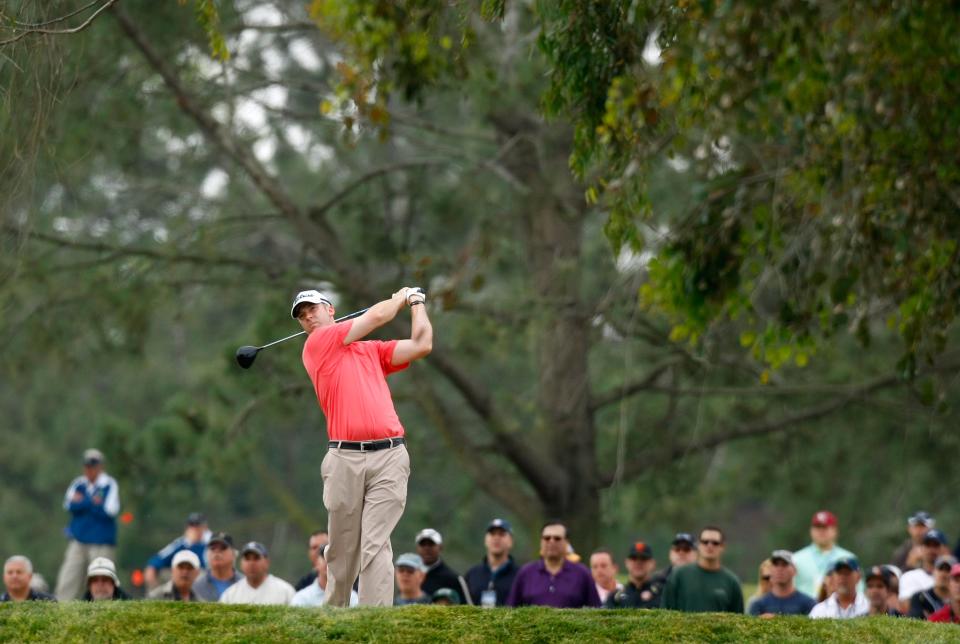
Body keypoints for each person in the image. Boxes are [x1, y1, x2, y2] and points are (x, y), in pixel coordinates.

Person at [294, 286, 431, 607]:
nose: (308, 317)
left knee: (376, 542)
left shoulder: (370, 351)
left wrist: (418, 304)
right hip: (344, 458)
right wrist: (401, 296)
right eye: (301, 316)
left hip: (390, 456)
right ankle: (336, 615)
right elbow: (379, 315)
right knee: (342, 549)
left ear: (330, 309)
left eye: (312, 309)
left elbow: (422, 344)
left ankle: (374, 620)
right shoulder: (317, 345)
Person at [55, 448, 121, 600]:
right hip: (78, 540)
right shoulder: (79, 484)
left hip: (101, 542)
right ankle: (61, 613)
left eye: (93, 465)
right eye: (87, 465)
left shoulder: (109, 484)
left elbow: (110, 511)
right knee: (68, 579)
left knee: (102, 580)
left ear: (100, 466)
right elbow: (69, 505)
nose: (89, 469)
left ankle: (102, 613)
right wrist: (93, 502)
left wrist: (83, 502)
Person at [506, 521, 601, 608]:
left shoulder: (582, 573)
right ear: (541, 542)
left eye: (557, 538)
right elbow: (511, 610)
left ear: (567, 542)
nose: (551, 542)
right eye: (547, 538)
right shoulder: (525, 573)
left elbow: (596, 610)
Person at [661, 526, 743, 613]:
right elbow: (665, 612)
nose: (709, 546)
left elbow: (738, 619)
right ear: (699, 545)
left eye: (715, 543)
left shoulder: (732, 581)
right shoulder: (678, 575)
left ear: (722, 546)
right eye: (705, 542)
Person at [792, 510, 858, 599]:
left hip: (839, 609)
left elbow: (858, 590)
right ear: (811, 531)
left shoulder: (848, 557)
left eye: (825, 527)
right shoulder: (796, 558)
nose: (821, 531)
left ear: (835, 531)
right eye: (818, 527)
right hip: (804, 610)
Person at [144, 512, 210, 590]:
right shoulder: (181, 543)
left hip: (205, 581)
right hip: (183, 580)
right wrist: (152, 568)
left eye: (198, 526)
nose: (194, 529)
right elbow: (159, 559)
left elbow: (208, 567)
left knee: (201, 575)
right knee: (159, 572)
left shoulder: (211, 543)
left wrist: (195, 545)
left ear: (205, 528)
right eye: (192, 525)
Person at [464, 518, 519, 607]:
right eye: (492, 534)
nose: (496, 538)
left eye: (502, 534)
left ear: (511, 541)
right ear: (485, 540)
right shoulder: (472, 574)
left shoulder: (521, 575)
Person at [219, 542, 295, 605]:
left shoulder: (285, 591)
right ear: (241, 563)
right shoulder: (230, 594)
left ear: (267, 562)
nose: (251, 563)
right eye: (247, 559)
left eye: (256, 558)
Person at [748, 550, 816, 617]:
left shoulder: (808, 604)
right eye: (775, 564)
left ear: (795, 570)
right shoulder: (758, 605)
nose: (779, 569)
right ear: (771, 569)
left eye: (784, 564)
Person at [899, 528, 950, 613]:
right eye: (928, 545)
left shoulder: (954, 577)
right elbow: (907, 608)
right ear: (921, 548)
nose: (931, 550)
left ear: (945, 549)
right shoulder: (909, 576)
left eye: (936, 545)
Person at [292, 544, 359, 607]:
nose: (329, 562)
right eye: (324, 557)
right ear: (316, 563)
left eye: (334, 558)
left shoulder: (352, 598)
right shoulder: (302, 597)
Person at [605, 541, 664, 609]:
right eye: (634, 558)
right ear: (626, 562)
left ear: (652, 563)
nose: (638, 562)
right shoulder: (616, 597)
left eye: (643, 558)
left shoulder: (662, 594)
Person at [416, 528, 469, 602]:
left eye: (431, 544)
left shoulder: (453, 578)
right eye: (422, 544)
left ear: (440, 547)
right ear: (417, 548)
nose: (427, 548)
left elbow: (467, 607)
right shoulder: (409, 576)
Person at [193, 532, 244, 602]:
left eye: (223, 548)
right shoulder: (196, 587)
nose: (216, 552)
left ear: (234, 554)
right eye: (212, 548)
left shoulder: (244, 583)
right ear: (207, 554)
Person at [907, 555, 955, 619]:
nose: (943, 574)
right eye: (940, 569)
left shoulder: (957, 601)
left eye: (948, 570)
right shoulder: (921, 598)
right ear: (933, 571)